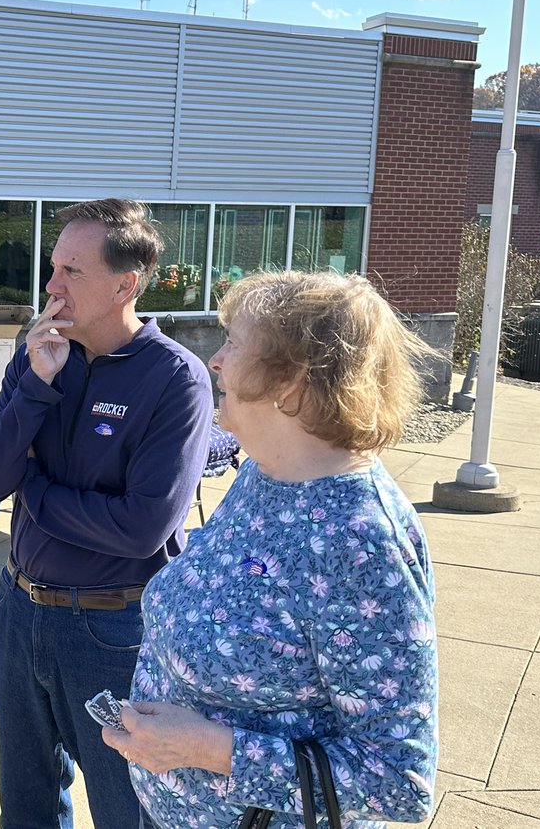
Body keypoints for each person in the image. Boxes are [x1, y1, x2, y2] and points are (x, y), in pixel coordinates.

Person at [100, 271, 438, 828]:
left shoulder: (359, 541)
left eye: (234, 344)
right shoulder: (265, 473)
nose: (215, 361)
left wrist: (207, 748)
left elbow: (399, 782)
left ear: (292, 381)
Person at [0, 199, 214, 828]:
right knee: (25, 807)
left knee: (126, 810)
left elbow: (142, 526)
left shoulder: (175, 379)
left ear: (125, 284)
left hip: (111, 632)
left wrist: (37, 493)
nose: (51, 286)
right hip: (18, 612)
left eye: (71, 271)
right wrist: (35, 386)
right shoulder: (40, 353)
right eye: (53, 268)